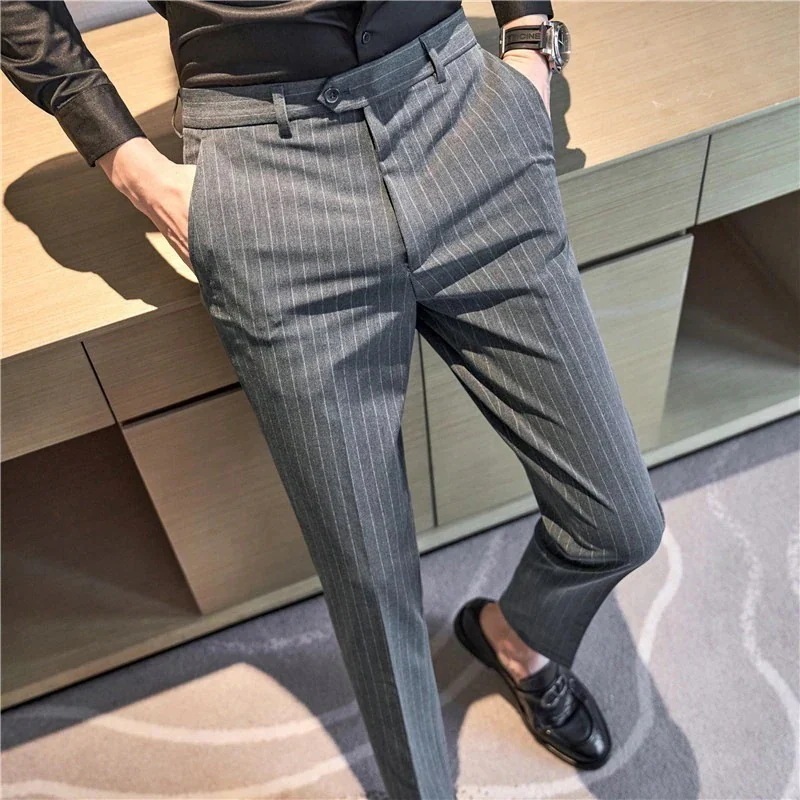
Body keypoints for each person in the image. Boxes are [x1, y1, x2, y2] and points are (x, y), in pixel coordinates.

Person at [1, 2, 667, 797]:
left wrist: (529, 39)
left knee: (620, 521)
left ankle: (517, 635)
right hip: (265, 169)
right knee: (372, 587)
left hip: (458, 111)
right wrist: (135, 169)